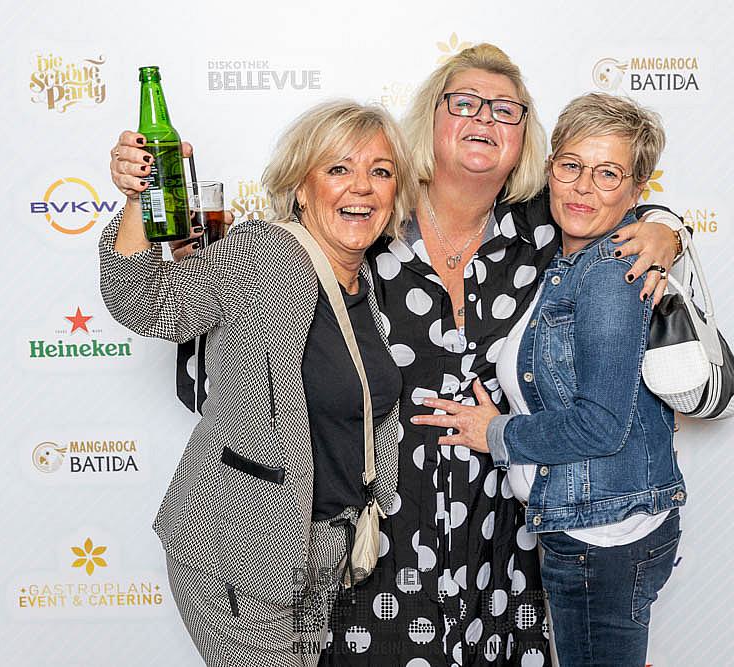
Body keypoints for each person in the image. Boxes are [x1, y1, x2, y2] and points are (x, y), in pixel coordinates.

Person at [170, 44, 687, 665]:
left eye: (505, 109)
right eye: (464, 102)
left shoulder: (546, 231)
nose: (484, 118)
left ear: (526, 139)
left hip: (503, 535)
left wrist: (668, 229)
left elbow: (609, 199)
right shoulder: (370, 221)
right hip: (379, 534)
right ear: (431, 120)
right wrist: (182, 248)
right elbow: (230, 336)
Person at [99, 100, 418, 667]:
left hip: (321, 550)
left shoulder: (364, 282)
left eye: (381, 171)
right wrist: (137, 199)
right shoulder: (264, 255)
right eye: (338, 168)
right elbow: (140, 299)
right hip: (241, 546)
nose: (362, 187)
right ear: (301, 189)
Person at [415, 92, 686, 667]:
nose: (584, 187)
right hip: (589, 526)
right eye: (571, 166)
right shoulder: (568, 260)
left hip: (603, 538)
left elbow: (600, 427)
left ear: (637, 189)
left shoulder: (612, 273)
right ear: (549, 168)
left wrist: (496, 433)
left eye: (608, 174)